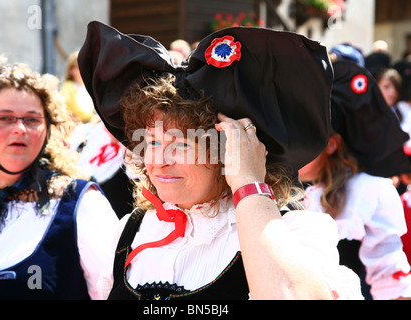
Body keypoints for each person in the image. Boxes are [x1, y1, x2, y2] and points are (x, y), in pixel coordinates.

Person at [78, 21, 363, 300]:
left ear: (230, 150)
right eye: (151, 142)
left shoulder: (295, 231)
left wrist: (248, 183)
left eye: (181, 143)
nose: (159, 161)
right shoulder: (130, 231)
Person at [0, 62, 119, 300]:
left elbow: (115, 294)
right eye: (5, 118)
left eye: (32, 119)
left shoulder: (81, 204)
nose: (19, 129)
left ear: (48, 130)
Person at [299, 59, 411, 300]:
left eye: (301, 139)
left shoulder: (370, 191)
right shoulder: (294, 191)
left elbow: (392, 285)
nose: (290, 150)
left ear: (330, 144)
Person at [60, 51, 95, 123]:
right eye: (77, 67)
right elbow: (68, 110)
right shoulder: (67, 87)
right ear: (71, 70)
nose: (81, 70)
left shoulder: (91, 87)